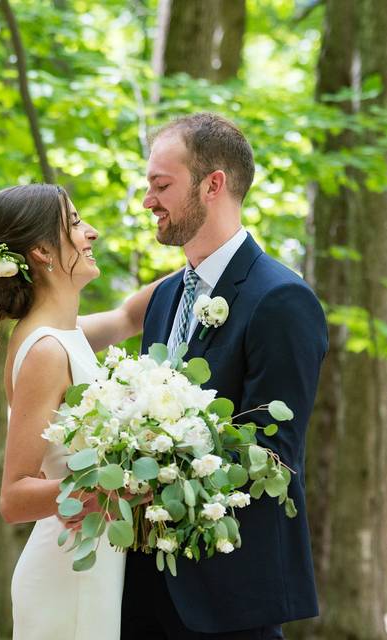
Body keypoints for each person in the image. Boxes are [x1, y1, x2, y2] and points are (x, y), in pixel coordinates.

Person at [121, 113, 328, 639]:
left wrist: (163, 474)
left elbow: (273, 455)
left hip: (232, 594)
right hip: (145, 588)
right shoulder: (166, 296)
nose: (149, 201)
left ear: (213, 184)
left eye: (161, 185)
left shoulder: (281, 299)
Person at [0, 183, 161, 640]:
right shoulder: (46, 351)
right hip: (67, 570)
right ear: (41, 251)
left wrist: (206, 262)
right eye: (75, 223)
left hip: (91, 561)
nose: (90, 232)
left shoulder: (63, 334)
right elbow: (14, 498)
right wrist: (112, 487)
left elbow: (128, 318)